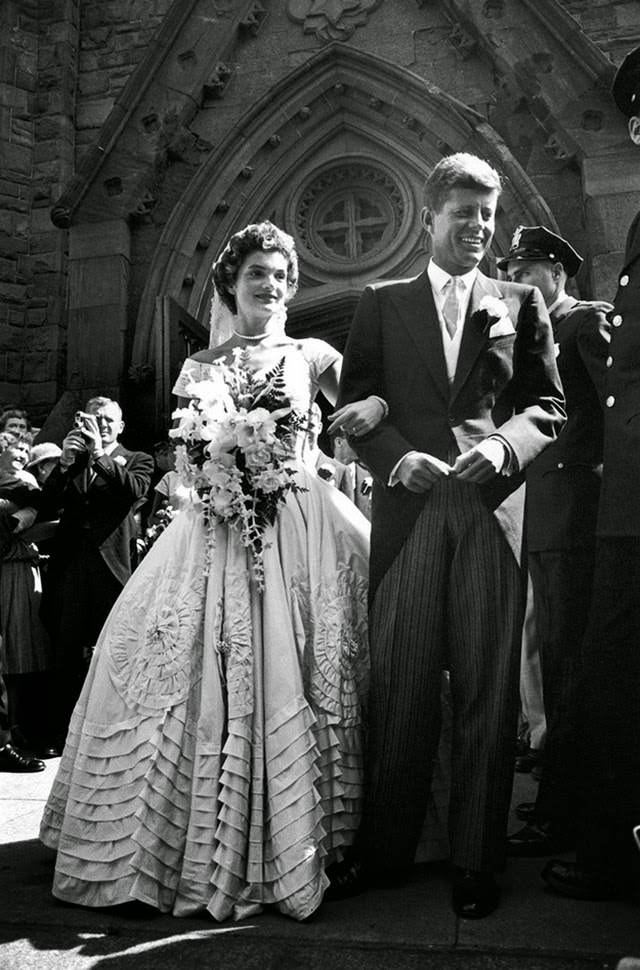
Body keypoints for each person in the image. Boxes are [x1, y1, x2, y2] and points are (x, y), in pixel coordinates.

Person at [40, 221, 385, 922]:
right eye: (258, 272)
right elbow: (184, 452)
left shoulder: (314, 355)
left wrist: (370, 420)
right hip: (215, 522)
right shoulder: (198, 366)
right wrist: (215, 465)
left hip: (299, 521)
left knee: (312, 657)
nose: (271, 285)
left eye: (281, 275)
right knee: (182, 660)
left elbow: (368, 411)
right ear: (232, 282)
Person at [333, 152, 565, 918]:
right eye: (464, 213)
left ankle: (475, 859)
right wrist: (395, 458)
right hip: (409, 515)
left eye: (487, 215)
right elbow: (360, 401)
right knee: (400, 688)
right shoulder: (381, 302)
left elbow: (547, 406)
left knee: (486, 693)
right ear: (430, 215)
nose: (478, 227)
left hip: (490, 513)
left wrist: (503, 447)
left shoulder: (519, 302)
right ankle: (387, 851)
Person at [542, 46, 640, 901]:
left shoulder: (582, 316)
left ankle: (609, 848)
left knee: (608, 663)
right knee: (600, 662)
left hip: (623, 496)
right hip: (618, 498)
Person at [496, 227, 610, 857]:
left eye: (527, 271)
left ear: (558, 274)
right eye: (512, 272)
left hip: (575, 510)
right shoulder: (530, 333)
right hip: (543, 510)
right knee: (548, 657)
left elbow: (617, 410)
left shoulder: (585, 323)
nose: (517, 282)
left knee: (568, 664)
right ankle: (559, 794)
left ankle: (563, 814)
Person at [39, 397, 153, 740]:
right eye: (94, 418)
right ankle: (61, 733)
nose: (100, 424)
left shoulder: (137, 459)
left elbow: (134, 490)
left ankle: (115, 731)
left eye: (107, 420)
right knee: (66, 649)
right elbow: (47, 504)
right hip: (72, 566)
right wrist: (64, 463)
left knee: (116, 649)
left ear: (120, 426)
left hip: (112, 569)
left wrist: (101, 454)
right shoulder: (74, 461)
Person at [0, 432, 55, 758]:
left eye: (26, 449)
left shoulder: (30, 485)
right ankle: (9, 730)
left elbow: (47, 518)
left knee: (27, 650)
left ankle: (24, 726)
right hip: (6, 569)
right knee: (7, 652)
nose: (23, 454)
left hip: (24, 571)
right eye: (16, 448)